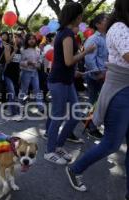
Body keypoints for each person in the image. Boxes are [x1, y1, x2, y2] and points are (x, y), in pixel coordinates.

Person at [66, 0, 129, 198]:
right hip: (119, 89)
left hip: (117, 84)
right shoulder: (119, 28)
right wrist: (95, 73)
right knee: (111, 143)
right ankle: (75, 169)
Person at [44, 2, 95, 165]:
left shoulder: (66, 33)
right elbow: (68, 61)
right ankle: (49, 151)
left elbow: (64, 61)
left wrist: (74, 72)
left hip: (66, 80)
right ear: (76, 16)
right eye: (81, 15)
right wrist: (86, 51)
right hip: (59, 81)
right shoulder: (66, 34)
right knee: (58, 116)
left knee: (76, 115)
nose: (82, 18)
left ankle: (58, 145)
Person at [84, 13, 109, 140]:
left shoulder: (108, 37)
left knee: (98, 102)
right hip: (96, 76)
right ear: (98, 24)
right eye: (106, 20)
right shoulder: (93, 39)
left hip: (106, 75)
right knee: (95, 102)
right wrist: (97, 73)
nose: (109, 21)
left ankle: (88, 121)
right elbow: (89, 59)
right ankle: (91, 127)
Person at [19, 33, 44, 113]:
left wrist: (39, 64)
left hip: (35, 72)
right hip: (25, 72)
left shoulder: (37, 49)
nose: (32, 40)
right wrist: (28, 62)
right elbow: (20, 62)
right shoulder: (22, 50)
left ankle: (40, 107)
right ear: (26, 40)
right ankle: (20, 105)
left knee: (37, 89)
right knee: (24, 90)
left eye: (33, 39)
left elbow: (40, 60)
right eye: (29, 39)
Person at [3, 33, 23, 121]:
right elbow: (7, 61)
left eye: (18, 37)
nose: (16, 39)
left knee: (16, 94)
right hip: (8, 74)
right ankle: (15, 113)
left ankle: (13, 110)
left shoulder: (21, 49)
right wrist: (14, 51)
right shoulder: (8, 47)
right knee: (12, 93)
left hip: (16, 74)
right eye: (15, 37)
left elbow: (20, 64)